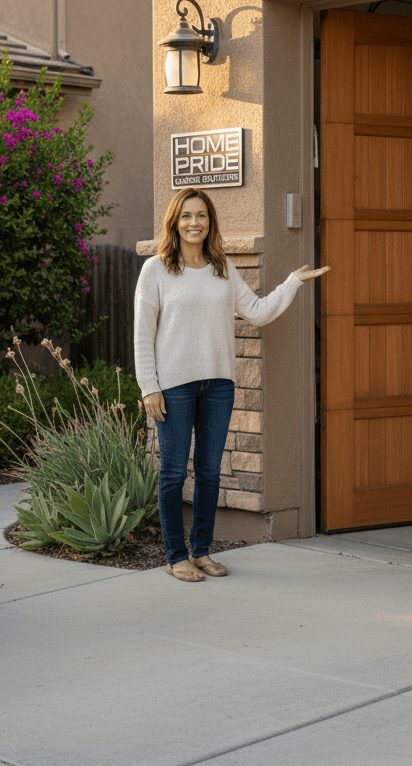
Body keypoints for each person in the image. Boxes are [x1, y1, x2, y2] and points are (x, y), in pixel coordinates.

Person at [134, 187, 328, 583]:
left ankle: (201, 550)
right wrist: (148, 386)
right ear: (175, 222)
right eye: (186, 216)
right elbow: (142, 332)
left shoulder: (222, 268)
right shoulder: (156, 270)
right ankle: (176, 556)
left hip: (218, 385)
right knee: (173, 473)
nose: (194, 223)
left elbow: (256, 311)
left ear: (210, 222)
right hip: (173, 387)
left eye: (201, 215)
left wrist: (292, 282)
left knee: (209, 473)